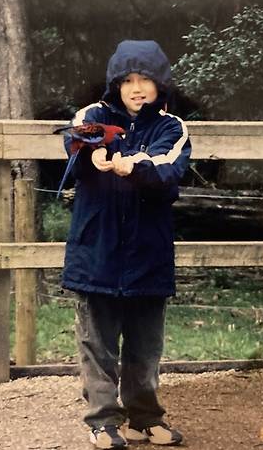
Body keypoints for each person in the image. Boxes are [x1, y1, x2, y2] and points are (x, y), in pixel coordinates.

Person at [60, 39, 192, 449]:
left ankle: (144, 418)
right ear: (116, 84)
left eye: (146, 80)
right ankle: (102, 421)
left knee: (145, 345)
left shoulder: (172, 127)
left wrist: (132, 166)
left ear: (160, 85)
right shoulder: (92, 115)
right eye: (128, 80)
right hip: (96, 253)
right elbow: (77, 143)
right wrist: (93, 156)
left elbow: (167, 169)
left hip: (148, 256)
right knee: (96, 342)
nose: (137, 88)